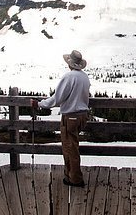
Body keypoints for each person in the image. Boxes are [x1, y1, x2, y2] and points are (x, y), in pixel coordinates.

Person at [32, 49, 90, 187]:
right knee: (73, 146)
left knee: (70, 148)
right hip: (82, 116)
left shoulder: (69, 77)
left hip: (70, 117)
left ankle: (75, 178)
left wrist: (39, 104)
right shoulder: (84, 77)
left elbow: (57, 98)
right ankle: (69, 174)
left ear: (70, 63)